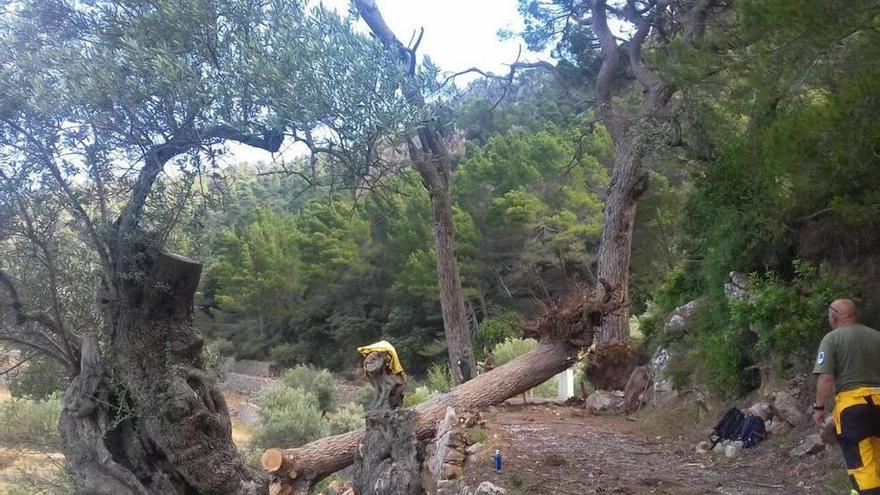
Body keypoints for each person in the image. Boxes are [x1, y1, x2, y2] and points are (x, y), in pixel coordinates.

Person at [812, 299, 880, 495]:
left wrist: (819, 408)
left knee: (861, 464)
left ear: (834, 317)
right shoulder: (876, 336)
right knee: (877, 459)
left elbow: (826, 377)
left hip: (853, 407)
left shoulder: (832, 339)